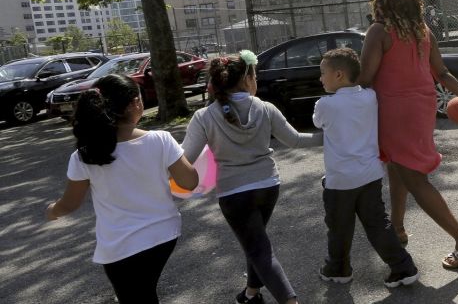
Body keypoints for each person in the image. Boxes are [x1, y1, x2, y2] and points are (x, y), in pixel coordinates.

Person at [358, 0, 458, 269]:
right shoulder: (422, 31)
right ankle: (398, 227)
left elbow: (365, 78)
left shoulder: (379, 31)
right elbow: (443, 73)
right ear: (413, 0)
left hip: (394, 110)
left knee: (414, 176)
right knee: (399, 166)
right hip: (422, 107)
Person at [45, 74, 199, 304]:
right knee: (143, 292)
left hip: (119, 247)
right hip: (163, 234)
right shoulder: (161, 140)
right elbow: (190, 182)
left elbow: (70, 203)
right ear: (135, 103)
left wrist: (53, 210)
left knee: (136, 296)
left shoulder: (84, 155)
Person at [182, 51, 321, 304]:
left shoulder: (204, 117)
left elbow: (185, 159)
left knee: (258, 247)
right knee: (255, 241)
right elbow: (295, 140)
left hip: (233, 193)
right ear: (248, 79)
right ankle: (251, 293)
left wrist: (156, 153)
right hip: (268, 186)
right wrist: (332, 136)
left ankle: (290, 301)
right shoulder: (266, 108)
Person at [313, 48, 420, 288]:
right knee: (378, 224)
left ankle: (338, 268)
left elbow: (317, 123)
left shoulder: (325, 104)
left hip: (340, 181)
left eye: (323, 73)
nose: (320, 78)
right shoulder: (370, 96)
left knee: (339, 228)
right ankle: (403, 267)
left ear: (339, 75)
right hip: (370, 175)